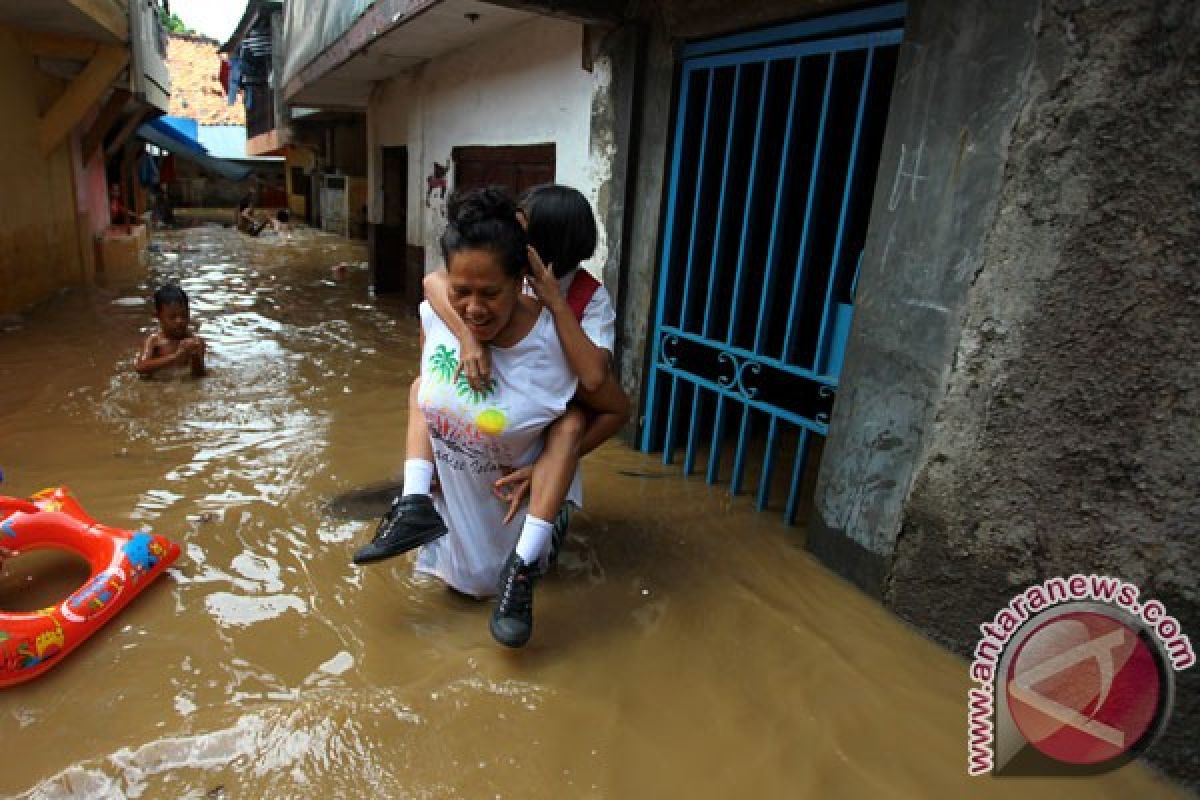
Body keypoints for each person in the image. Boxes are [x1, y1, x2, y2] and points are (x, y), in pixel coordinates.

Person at [353, 184, 630, 648]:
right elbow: (435, 289)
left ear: (538, 248)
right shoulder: (493, 279)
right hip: (481, 434)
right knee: (459, 561)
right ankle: (418, 509)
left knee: (537, 551)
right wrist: (467, 337)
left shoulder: (573, 306)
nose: (476, 306)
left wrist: (555, 305)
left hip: (545, 439)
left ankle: (522, 574)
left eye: (525, 231)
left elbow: (597, 383)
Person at [134, 285, 206, 378]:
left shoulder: (196, 342)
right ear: (158, 317)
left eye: (184, 315)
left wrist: (195, 356)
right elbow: (140, 367)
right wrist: (175, 357)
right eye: (172, 317)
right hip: (158, 385)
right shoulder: (153, 340)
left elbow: (199, 375)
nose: (179, 321)